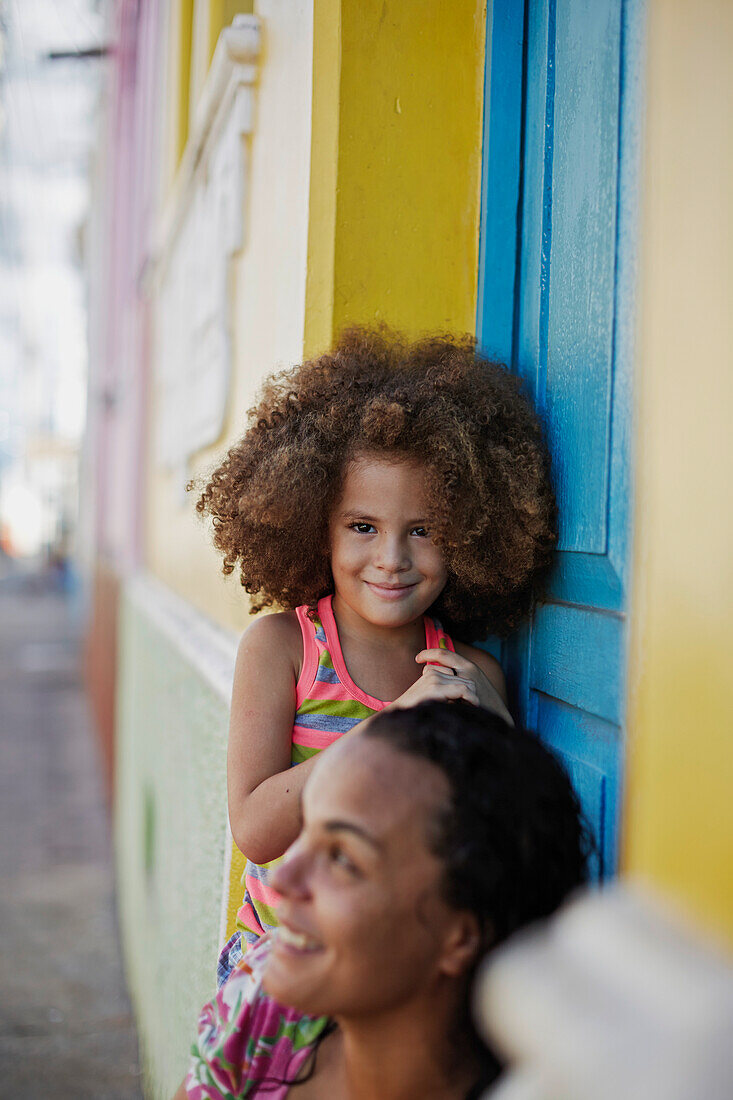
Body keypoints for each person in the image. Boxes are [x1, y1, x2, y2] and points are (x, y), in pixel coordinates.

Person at [193, 327, 556, 982]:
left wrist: (495, 736)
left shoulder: (471, 676)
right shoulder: (281, 649)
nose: (391, 559)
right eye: (362, 527)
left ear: (471, 535)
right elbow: (256, 829)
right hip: (279, 975)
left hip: (402, 986)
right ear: (313, 523)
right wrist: (390, 726)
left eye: (424, 531)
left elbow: (502, 844)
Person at [173, 701, 589, 1099]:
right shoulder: (261, 1005)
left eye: (342, 858)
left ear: (459, 937)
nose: (283, 878)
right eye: (308, 833)